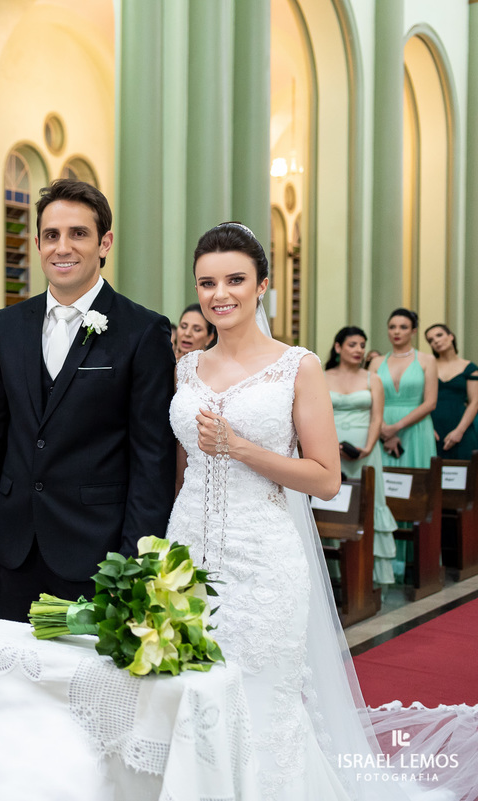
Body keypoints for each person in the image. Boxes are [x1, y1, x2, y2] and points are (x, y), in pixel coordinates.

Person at [169, 222, 408, 799]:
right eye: (207, 282)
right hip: (186, 552)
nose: (219, 293)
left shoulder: (296, 365)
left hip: (265, 558)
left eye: (234, 279)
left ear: (263, 286)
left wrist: (241, 446)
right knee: (189, 697)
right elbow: (187, 470)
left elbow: (326, 478)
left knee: (259, 700)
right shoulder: (186, 368)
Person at [0, 179, 175, 621]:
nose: (63, 247)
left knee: (89, 690)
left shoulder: (143, 330)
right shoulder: (7, 325)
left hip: (99, 552)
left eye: (78, 233)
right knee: (15, 679)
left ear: (104, 243)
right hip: (15, 550)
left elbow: (152, 458)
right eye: (52, 235)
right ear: (37, 243)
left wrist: (133, 562)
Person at [324, 326, 399, 584]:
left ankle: (372, 576)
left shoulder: (372, 378)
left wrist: (367, 448)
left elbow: (377, 416)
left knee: (368, 505)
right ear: (338, 347)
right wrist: (329, 447)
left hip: (366, 453)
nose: (359, 350)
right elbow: (318, 417)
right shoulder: (322, 377)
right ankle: (336, 575)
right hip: (331, 452)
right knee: (333, 506)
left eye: (362, 345)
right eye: (352, 345)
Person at [371, 308, 437, 468]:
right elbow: (370, 399)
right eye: (392, 327)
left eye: (403, 327)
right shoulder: (376, 362)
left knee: (419, 485)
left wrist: (396, 428)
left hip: (416, 427)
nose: (396, 332)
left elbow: (430, 403)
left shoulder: (427, 360)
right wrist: (385, 431)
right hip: (381, 427)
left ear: (413, 331)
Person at [424, 322, 478, 459]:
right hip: (432, 428)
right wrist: (426, 427)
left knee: (464, 474)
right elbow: (420, 400)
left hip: (462, 426)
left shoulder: (470, 367)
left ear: (451, 336)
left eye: (439, 335)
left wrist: (459, 431)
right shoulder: (427, 367)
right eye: (431, 340)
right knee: (432, 475)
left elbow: (475, 402)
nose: (435, 341)